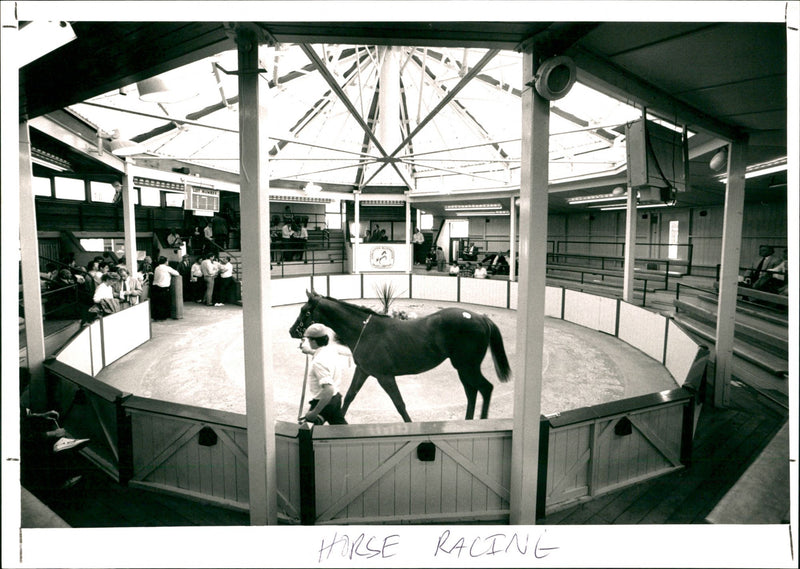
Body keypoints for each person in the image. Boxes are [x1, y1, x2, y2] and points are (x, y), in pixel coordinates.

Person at [299, 323, 348, 425]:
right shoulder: (331, 350)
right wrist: (309, 351)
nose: (308, 342)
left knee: (306, 432)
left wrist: (314, 413)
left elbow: (328, 390)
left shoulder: (318, 362)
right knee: (341, 431)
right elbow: (320, 354)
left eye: (309, 340)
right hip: (335, 399)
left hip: (324, 402)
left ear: (313, 341)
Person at [150, 255, 179, 321]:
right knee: (163, 303)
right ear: (166, 262)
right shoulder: (167, 268)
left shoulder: (156, 268)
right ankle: (162, 317)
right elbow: (177, 273)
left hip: (155, 287)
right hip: (163, 288)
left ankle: (156, 317)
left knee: (156, 303)